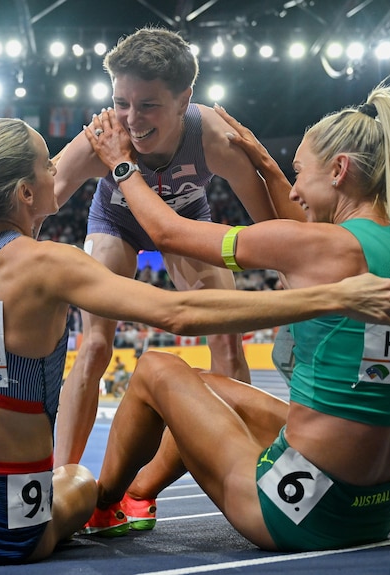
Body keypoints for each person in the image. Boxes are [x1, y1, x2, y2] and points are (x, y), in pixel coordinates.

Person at [0, 117, 390, 564]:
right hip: (4, 520)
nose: (63, 175)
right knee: (78, 484)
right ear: (30, 191)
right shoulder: (44, 263)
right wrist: (333, 295)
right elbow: (177, 312)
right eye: (50, 166)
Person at [74, 85, 390, 550]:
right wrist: (268, 166)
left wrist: (121, 164)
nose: (294, 189)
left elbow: (166, 232)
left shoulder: (324, 248)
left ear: (339, 170)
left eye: (299, 173)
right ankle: (138, 495)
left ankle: (102, 506)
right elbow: (304, 231)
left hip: (296, 512)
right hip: (375, 510)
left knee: (157, 370)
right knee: (205, 388)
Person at [53, 27, 281, 467]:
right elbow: (39, 202)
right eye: (122, 103)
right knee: (96, 346)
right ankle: (62, 479)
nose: (132, 121)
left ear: (184, 99)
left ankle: (248, 465)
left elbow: (268, 224)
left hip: (185, 223)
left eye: (149, 105)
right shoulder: (101, 136)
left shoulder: (212, 135)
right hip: (116, 222)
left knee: (228, 338)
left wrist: (298, 279)